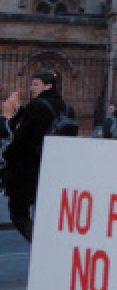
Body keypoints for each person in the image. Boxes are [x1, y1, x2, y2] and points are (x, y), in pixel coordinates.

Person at [2, 71, 72, 242]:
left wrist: (6, 116)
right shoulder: (67, 108)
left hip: (29, 170)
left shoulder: (37, 106)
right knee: (44, 214)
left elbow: (19, 140)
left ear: (48, 86)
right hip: (55, 170)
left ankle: (40, 243)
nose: (31, 88)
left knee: (18, 212)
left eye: (35, 84)